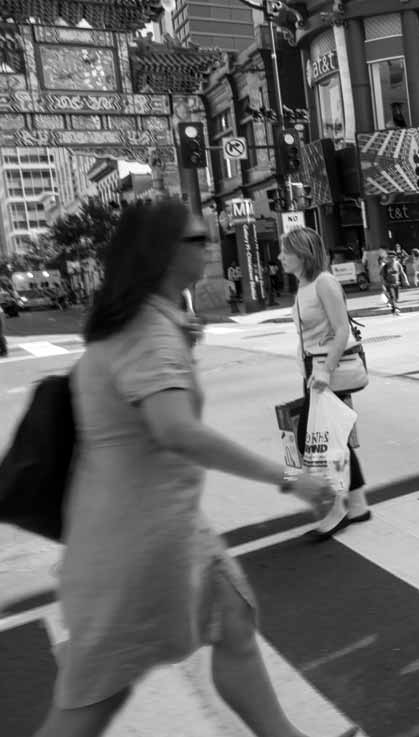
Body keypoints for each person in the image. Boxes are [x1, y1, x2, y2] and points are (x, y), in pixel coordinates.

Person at [42, 201, 348, 737]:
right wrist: (290, 478)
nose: (208, 247)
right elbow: (176, 431)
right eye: (196, 240)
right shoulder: (148, 331)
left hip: (164, 526)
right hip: (131, 544)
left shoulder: (146, 320)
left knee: (232, 621)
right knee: (88, 704)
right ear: (161, 253)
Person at [280, 227, 373, 539]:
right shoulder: (303, 285)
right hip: (312, 371)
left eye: (285, 252)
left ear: (302, 254)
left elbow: (341, 329)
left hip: (325, 373)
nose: (280, 257)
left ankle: (338, 510)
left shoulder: (324, 282)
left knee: (315, 441)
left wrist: (324, 371)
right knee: (336, 438)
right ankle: (357, 505)